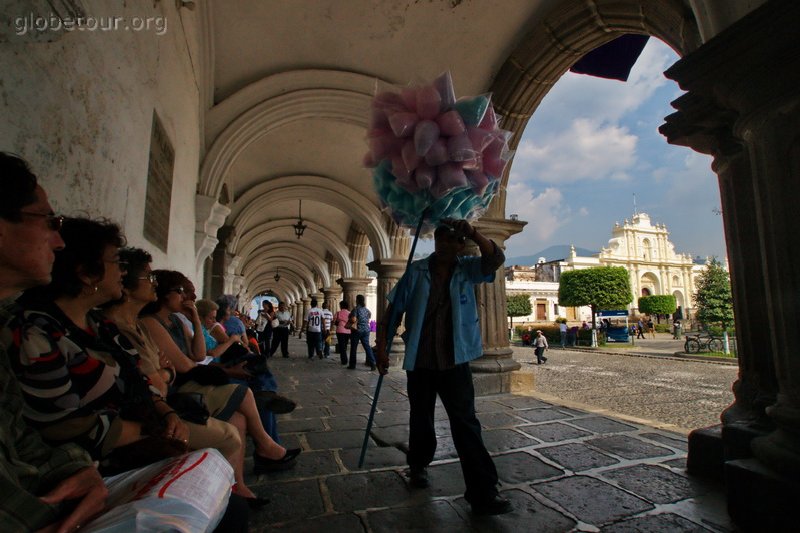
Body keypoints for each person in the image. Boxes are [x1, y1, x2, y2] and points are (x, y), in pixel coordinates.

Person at [375, 219, 512, 516]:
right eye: (443, 239)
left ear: (461, 244)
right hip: (421, 360)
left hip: (455, 360)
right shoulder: (416, 270)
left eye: (455, 240)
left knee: (466, 424)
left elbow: (496, 259)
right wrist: (381, 348)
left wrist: (474, 231)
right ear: (435, 241)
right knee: (421, 417)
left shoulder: (468, 269)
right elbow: (393, 310)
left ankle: (483, 491)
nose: (449, 244)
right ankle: (418, 464)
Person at [0, 154, 107, 532]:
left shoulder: (6, 322)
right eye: (49, 222)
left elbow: (16, 432)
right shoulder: (29, 331)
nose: (59, 241)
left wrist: (75, 469)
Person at [349, 294, 376, 370]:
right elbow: (369, 317)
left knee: (354, 348)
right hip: (366, 330)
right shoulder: (367, 310)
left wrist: (350, 319)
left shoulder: (356, 309)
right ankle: (373, 363)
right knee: (367, 347)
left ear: (357, 300)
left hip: (357, 330)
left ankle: (352, 365)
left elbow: (353, 320)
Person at [334, 300, 352, 365]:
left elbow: (334, 322)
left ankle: (344, 360)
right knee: (345, 345)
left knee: (342, 346)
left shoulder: (338, 313)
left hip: (340, 331)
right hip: (348, 331)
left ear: (341, 306)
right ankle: (345, 359)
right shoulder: (350, 313)